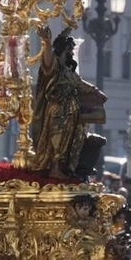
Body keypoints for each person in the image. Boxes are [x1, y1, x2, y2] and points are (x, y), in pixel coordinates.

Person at [29, 25, 106, 179]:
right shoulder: (54, 67)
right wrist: (47, 42)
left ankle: (65, 167)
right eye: (70, 49)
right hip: (58, 109)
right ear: (63, 49)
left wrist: (96, 91)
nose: (72, 52)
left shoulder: (68, 72)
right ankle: (55, 168)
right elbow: (47, 61)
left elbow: (80, 84)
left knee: (68, 141)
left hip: (72, 111)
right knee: (57, 138)